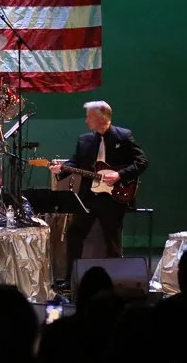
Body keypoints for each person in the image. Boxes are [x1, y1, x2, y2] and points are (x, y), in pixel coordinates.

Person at [49, 101, 149, 283]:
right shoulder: (85, 139)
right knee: (74, 233)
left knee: (112, 240)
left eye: (89, 116)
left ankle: (116, 280)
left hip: (113, 197)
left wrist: (119, 175)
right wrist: (61, 169)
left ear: (102, 118)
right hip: (89, 196)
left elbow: (141, 162)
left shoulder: (123, 137)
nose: (86, 120)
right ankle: (71, 278)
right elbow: (75, 163)